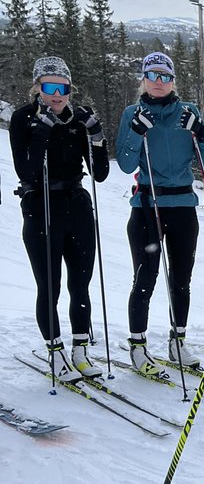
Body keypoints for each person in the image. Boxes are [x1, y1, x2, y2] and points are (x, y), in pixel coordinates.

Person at [115, 52, 204, 376]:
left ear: (173, 81)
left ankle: (178, 341)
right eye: (153, 75)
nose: (159, 82)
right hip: (148, 205)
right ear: (143, 79)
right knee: (144, 279)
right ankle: (138, 346)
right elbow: (127, 163)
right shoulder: (134, 112)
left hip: (183, 206)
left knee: (181, 281)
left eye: (165, 76)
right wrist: (136, 132)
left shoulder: (188, 112)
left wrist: (201, 134)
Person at [10, 55, 109, 381]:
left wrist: (95, 137)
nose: (57, 94)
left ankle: (80, 349)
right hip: (41, 207)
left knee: (81, 284)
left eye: (63, 87)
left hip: (76, 204)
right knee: (49, 286)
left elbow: (100, 173)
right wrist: (43, 132)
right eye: (50, 86)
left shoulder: (77, 119)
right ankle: (55, 351)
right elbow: (26, 171)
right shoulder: (23, 119)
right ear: (38, 87)